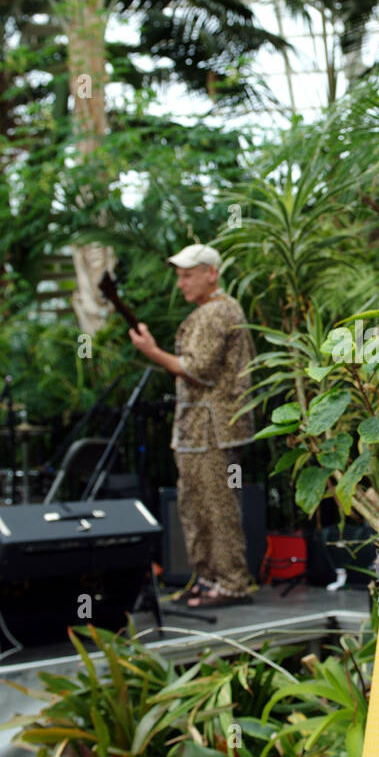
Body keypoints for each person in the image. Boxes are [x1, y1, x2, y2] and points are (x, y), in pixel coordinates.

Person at [128, 244, 255, 607]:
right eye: (179, 276)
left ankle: (232, 583)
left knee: (217, 505)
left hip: (215, 430)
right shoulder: (207, 311)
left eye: (187, 276)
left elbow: (198, 370)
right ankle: (209, 578)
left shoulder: (219, 311)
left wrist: (152, 351)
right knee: (195, 505)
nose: (181, 284)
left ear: (211, 274)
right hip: (197, 430)